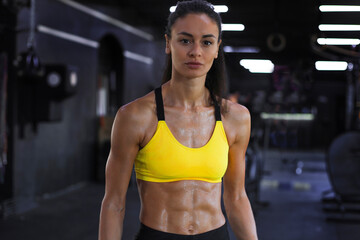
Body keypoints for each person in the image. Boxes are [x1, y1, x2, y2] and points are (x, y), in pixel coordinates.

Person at [98, 0, 258, 239]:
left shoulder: (236, 118)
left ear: (217, 49)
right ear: (168, 43)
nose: (196, 51)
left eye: (206, 42)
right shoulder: (135, 116)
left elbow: (236, 197)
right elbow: (113, 203)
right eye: (185, 40)